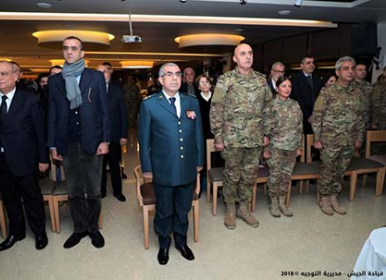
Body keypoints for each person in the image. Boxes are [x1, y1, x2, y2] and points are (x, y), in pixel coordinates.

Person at [47, 36, 110, 249]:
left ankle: (93, 228)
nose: (69, 52)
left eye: (74, 48)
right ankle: (79, 228)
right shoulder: (56, 81)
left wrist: (105, 140)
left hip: (92, 140)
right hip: (68, 141)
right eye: (65, 48)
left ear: (82, 53)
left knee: (93, 188)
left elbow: (104, 111)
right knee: (73, 189)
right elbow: (53, 114)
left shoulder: (95, 77)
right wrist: (53, 144)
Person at [0, 61, 49, 251]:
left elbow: (39, 133)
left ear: (16, 76)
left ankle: (39, 232)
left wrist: (43, 159)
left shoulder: (29, 100)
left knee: (32, 198)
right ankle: (16, 232)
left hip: (24, 159)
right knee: (9, 199)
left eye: (3, 74)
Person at [138, 62, 204, 265]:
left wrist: (199, 161)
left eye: (178, 74)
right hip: (163, 169)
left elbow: (198, 134)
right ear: (160, 80)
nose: (174, 78)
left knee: (183, 209)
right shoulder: (149, 104)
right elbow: (144, 140)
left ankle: (181, 242)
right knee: (165, 210)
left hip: (187, 167)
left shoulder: (191, 101)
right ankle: (164, 243)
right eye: (169, 74)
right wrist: (147, 169)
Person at [210, 43, 272, 230]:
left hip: (254, 138)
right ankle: (230, 208)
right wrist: (218, 137)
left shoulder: (261, 80)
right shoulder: (226, 80)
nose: (248, 57)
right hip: (232, 138)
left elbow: (269, 107)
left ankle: (244, 208)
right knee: (232, 174)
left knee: (249, 175)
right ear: (235, 59)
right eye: (243, 54)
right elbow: (216, 108)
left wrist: (266, 132)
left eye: (250, 53)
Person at [312, 56, 365, 216]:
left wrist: (359, 137)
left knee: (341, 170)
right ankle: (325, 198)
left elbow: (361, 117)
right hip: (330, 139)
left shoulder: (358, 93)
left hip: (349, 139)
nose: (350, 71)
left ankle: (334, 196)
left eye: (352, 68)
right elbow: (317, 117)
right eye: (346, 68)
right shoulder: (328, 92)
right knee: (328, 169)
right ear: (338, 71)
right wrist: (317, 138)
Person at [263, 76, 303, 218]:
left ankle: (282, 201)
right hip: (276, 147)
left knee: (286, 176)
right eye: (284, 86)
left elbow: (299, 127)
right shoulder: (271, 105)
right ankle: (273, 202)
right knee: (275, 176)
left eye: (289, 86)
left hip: (291, 147)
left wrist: (299, 146)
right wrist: (265, 150)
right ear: (277, 87)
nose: (287, 89)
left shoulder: (295, 104)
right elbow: (265, 130)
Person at [96, 62, 127, 201]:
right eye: (98, 72)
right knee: (99, 167)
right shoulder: (92, 89)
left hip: (114, 135)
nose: (101, 75)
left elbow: (123, 113)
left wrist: (124, 134)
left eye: (104, 71)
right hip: (97, 136)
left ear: (110, 72)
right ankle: (101, 191)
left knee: (115, 165)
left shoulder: (117, 90)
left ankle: (117, 191)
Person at [290, 56, 323, 134]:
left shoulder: (317, 79)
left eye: (313, 62)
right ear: (301, 65)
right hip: (302, 118)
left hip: (317, 118)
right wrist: (307, 116)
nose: (312, 65)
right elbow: (297, 99)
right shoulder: (295, 79)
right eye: (308, 63)